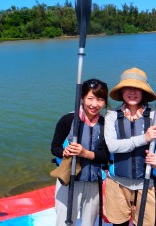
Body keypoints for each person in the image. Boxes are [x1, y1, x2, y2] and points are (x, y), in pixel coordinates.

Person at [104, 67, 156, 226]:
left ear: (144, 92)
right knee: (118, 223)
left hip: (147, 183)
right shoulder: (111, 116)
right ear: (121, 91)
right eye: (128, 88)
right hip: (117, 183)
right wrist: (144, 138)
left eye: (137, 89)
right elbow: (112, 146)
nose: (132, 92)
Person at [50, 78, 110, 226]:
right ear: (82, 97)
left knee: (89, 223)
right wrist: (64, 151)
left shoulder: (105, 124)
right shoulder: (68, 120)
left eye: (100, 99)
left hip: (93, 182)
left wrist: (85, 153)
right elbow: (54, 147)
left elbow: (106, 156)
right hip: (69, 180)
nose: (94, 104)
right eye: (90, 98)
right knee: (65, 221)